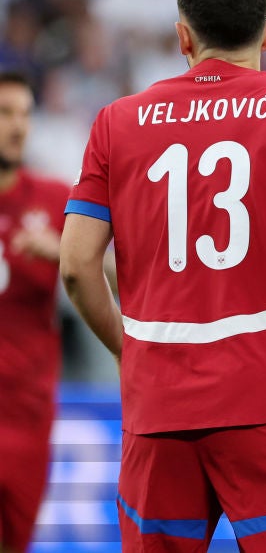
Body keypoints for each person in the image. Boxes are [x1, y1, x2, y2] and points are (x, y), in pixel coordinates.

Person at [59, 0, 266, 553]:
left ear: (183, 37)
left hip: (157, 406)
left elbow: (74, 264)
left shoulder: (116, 122)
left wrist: (130, 347)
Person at [0, 71, 70, 553]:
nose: (18, 126)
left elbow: (122, 274)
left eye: (25, 114)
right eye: (5, 113)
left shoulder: (53, 198)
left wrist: (68, 253)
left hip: (27, 411)